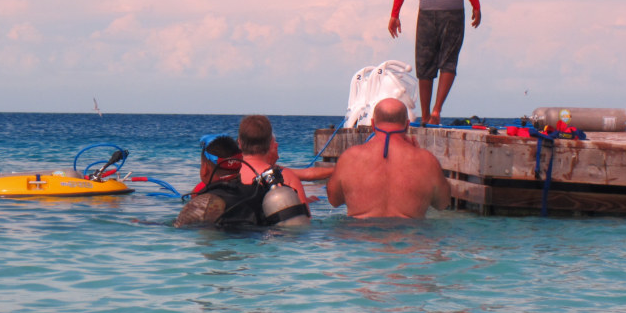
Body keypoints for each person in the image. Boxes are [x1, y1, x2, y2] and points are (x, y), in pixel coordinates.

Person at [327, 98, 450, 219]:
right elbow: (442, 203)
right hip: (409, 234)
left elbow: (334, 201)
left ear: (373, 124)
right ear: (407, 125)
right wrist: (418, 154)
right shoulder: (426, 160)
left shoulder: (350, 157)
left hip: (361, 235)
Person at [175, 134, 309, 228]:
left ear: (204, 169)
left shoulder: (204, 203)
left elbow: (180, 230)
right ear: (240, 164)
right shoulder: (260, 193)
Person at [236, 115, 316, 205]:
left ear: (239, 143)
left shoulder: (226, 175)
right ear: (270, 144)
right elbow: (305, 217)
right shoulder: (287, 177)